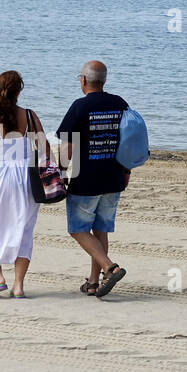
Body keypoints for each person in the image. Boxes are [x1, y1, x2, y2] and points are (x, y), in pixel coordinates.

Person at [56, 60, 130, 297]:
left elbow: (67, 145)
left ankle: (110, 267)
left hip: (86, 180)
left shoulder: (80, 106)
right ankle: (93, 283)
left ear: (84, 80)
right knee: (100, 230)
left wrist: (59, 172)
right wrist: (127, 172)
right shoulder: (120, 104)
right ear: (104, 81)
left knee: (77, 229)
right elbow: (131, 141)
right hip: (115, 177)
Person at [0, 70, 45, 298]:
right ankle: (19, 285)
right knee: (23, 230)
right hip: (25, 180)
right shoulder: (30, 116)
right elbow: (44, 151)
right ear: (19, 91)